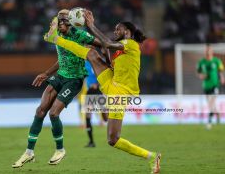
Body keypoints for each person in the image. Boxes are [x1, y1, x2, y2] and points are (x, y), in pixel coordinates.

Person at [44, 10, 161, 173]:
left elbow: (106, 43)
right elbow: (107, 51)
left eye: (118, 29)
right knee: (91, 53)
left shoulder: (131, 44)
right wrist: (107, 60)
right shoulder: (121, 50)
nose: (115, 31)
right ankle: (55, 38)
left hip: (121, 93)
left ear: (127, 32)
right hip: (112, 82)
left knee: (112, 139)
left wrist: (91, 25)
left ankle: (152, 156)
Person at [12, 9, 101, 168]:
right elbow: (63, 59)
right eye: (58, 20)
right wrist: (46, 73)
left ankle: (60, 150)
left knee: (54, 113)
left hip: (74, 80)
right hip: (60, 76)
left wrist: (115, 54)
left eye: (63, 20)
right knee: (40, 111)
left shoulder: (80, 35)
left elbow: (103, 44)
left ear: (71, 21)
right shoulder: (58, 35)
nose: (59, 23)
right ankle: (29, 152)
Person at [197, 45, 225, 129]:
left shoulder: (217, 61)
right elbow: (199, 73)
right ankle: (217, 113)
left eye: (209, 51)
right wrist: (201, 76)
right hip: (206, 86)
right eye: (207, 51)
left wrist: (222, 77)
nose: (208, 53)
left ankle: (209, 122)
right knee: (210, 105)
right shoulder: (201, 62)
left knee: (211, 103)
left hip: (215, 85)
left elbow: (221, 71)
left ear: (212, 52)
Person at [84, 60, 108, 147]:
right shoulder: (84, 62)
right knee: (87, 116)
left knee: (105, 117)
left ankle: (114, 133)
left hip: (98, 90)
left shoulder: (96, 62)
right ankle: (91, 142)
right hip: (90, 91)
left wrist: (97, 84)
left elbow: (104, 75)